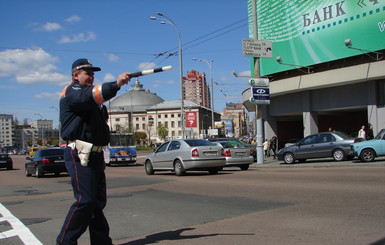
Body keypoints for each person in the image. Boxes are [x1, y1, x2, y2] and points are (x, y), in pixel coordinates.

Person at [56, 58, 131, 245]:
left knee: (96, 204)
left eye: (93, 73)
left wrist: (101, 153)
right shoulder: (72, 92)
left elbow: (98, 127)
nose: (91, 76)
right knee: (85, 201)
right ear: (76, 75)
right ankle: (64, 242)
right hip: (80, 152)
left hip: (95, 153)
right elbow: (89, 96)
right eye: (87, 73)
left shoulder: (91, 98)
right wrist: (116, 84)